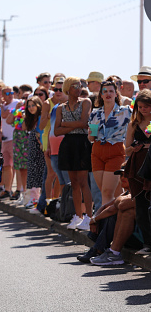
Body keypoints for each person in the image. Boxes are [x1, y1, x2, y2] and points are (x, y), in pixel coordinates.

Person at [55, 77, 93, 230]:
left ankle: (89, 217)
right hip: (68, 144)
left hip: (82, 143)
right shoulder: (60, 108)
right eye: (75, 86)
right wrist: (70, 126)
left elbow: (85, 123)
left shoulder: (86, 102)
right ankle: (78, 216)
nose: (78, 88)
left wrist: (64, 124)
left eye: (80, 86)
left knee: (84, 182)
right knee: (74, 183)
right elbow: (56, 131)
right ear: (67, 88)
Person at [88, 81, 131, 205]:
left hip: (115, 151)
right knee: (107, 192)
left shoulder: (126, 111)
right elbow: (91, 138)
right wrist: (91, 133)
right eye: (105, 91)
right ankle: (118, 217)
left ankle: (106, 223)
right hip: (97, 152)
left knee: (107, 192)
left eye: (111, 91)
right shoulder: (95, 113)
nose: (108, 94)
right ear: (101, 95)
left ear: (116, 94)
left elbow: (138, 123)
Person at [124, 89, 151, 255]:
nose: (143, 109)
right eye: (140, 106)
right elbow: (126, 150)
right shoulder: (133, 124)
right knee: (141, 207)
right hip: (138, 168)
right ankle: (148, 243)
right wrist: (135, 148)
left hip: (150, 166)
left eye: (147, 106)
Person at [0, 86, 20, 199]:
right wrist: (0, 132)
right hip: (5, 140)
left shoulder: (17, 103)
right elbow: (2, 121)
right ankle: (7, 189)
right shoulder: (3, 106)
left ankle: (19, 190)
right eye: (7, 93)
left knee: (16, 166)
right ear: (3, 95)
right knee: (6, 166)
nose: (10, 95)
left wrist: (1, 106)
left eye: (12, 92)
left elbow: (5, 115)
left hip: (15, 139)